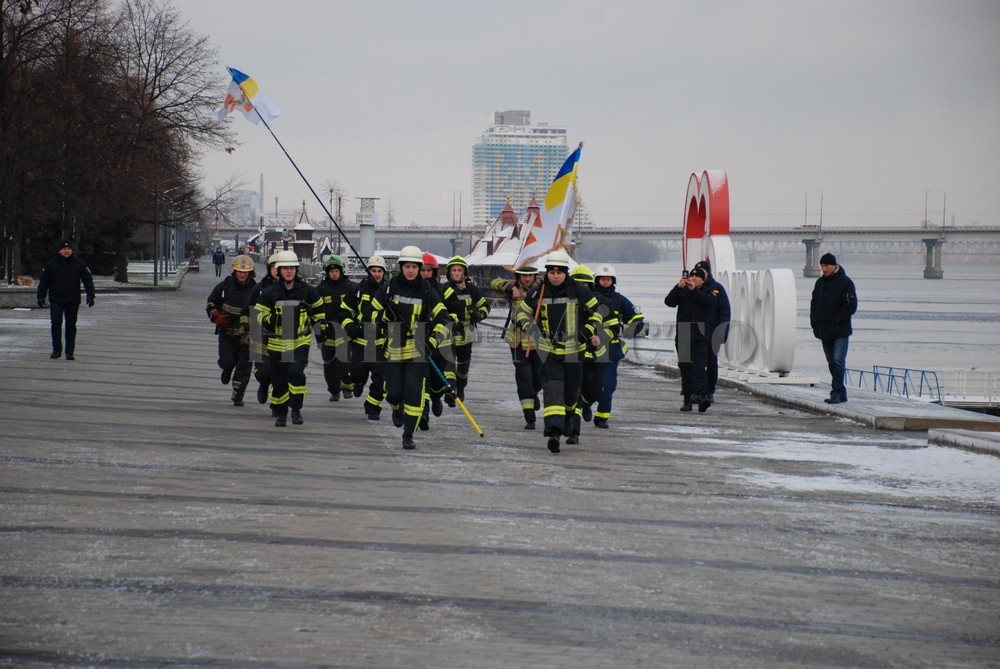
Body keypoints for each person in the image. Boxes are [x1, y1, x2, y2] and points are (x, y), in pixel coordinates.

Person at [516, 249, 604, 453]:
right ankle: (554, 432)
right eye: (552, 271)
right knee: (552, 390)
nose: (555, 275)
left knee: (571, 393)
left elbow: (598, 313)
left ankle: (571, 423)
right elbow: (522, 314)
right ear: (546, 272)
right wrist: (532, 331)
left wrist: (588, 331)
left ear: (566, 272)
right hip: (549, 352)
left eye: (559, 272)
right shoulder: (538, 292)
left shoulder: (579, 290)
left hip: (575, 351)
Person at [374, 246, 452, 450]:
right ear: (401, 267)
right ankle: (396, 407)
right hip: (393, 349)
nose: (410, 270)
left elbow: (445, 321)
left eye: (414, 267)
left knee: (415, 395)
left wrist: (432, 342)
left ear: (419, 268)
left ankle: (408, 434)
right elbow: (370, 314)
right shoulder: (389, 289)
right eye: (407, 266)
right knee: (393, 393)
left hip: (418, 351)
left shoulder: (428, 291)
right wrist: (384, 318)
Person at [254, 251, 325, 426]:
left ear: (296, 270)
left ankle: (296, 409)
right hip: (277, 343)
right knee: (278, 380)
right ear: (278, 271)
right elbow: (258, 315)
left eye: (292, 268)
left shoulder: (307, 291)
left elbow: (319, 311)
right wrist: (273, 320)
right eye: (285, 268)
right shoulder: (270, 293)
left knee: (296, 373)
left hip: (299, 341)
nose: (289, 271)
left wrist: (320, 331)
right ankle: (280, 412)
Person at [488, 263, 543, 429]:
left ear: (534, 276)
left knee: (540, 377)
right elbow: (492, 282)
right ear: (518, 276)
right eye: (523, 276)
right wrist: (510, 288)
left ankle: (533, 394)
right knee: (523, 377)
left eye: (530, 276)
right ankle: (529, 416)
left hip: (539, 342)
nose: (527, 279)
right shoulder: (513, 290)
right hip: (518, 342)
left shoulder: (543, 290)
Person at [591, 263, 645, 428]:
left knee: (608, 385)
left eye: (608, 279)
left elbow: (637, 318)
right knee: (588, 384)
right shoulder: (589, 297)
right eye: (603, 279)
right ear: (597, 280)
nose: (605, 282)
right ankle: (584, 407)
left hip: (611, 351)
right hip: (589, 350)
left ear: (613, 281)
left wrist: (632, 330)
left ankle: (602, 417)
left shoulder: (620, 300)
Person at [341, 255, 388, 420]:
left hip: (380, 343)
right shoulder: (358, 289)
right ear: (368, 272)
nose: (376, 274)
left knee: (380, 379)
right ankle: (358, 383)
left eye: (379, 271)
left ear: (384, 273)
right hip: (360, 342)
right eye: (373, 270)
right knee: (357, 374)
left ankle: (373, 407)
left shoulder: (388, 292)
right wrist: (350, 327)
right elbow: (344, 311)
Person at [206, 255, 257, 406]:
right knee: (227, 361)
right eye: (239, 271)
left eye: (245, 272)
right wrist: (216, 317)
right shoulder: (224, 286)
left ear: (250, 272)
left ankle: (238, 395)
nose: (242, 274)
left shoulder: (256, 289)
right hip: (227, 334)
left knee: (244, 368)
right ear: (234, 271)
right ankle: (226, 369)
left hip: (246, 336)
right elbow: (211, 303)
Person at [664, 265, 716, 413]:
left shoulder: (708, 292)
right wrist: (678, 286)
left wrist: (695, 290)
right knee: (685, 368)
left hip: (700, 335)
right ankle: (687, 399)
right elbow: (669, 302)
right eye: (691, 277)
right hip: (684, 334)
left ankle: (702, 396)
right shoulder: (682, 291)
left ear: (702, 280)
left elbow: (709, 303)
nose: (693, 279)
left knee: (700, 368)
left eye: (697, 277)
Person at [810, 252, 858, 404]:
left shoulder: (846, 283)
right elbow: (814, 304)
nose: (824, 269)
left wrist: (837, 321)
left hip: (840, 330)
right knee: (831, 362)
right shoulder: (820, 283)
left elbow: (851, 306)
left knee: (838, 360)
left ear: (834, 266)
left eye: (827, 266)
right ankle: (841, 392)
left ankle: (836, 392)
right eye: (822, 266)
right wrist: (814, 323)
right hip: (824, 329)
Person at [441, 255, 490, 404]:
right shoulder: (445, 290)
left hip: (466, 337)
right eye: (454, 270)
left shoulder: (473, 290)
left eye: (459, 270)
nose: (456, 273)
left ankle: (460, 388)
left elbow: (485, 306)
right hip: (449, 334)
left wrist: (479, 315)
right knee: (448, 365)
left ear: (464, 273)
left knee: (463, 370)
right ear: (449, 273)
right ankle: (450, 392)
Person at [36, 240, 96, 360]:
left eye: (68, 249)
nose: (66, 251)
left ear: (72, 250)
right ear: (59, 251)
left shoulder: (79, 263)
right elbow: (44, 281)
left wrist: (90, 295)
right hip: (56, 299)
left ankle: (69, 352)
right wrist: (40, 295)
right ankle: (56, 350)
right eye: (64, 249)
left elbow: (87, 280)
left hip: (72, 299)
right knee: (56, 322)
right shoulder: (51, 264)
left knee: (71, 325)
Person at [316, 254, 357, 401]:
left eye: (337, 271)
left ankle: (347, 386)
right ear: (327, 272)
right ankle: (334, 390)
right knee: (329, 366)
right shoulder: (320, 289)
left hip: (344, 329)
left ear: (341, 271)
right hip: (327, 331)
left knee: (344, 361)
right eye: (331, 271)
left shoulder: (351, 287)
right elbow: (314, 311)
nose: (334, 274)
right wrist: (318, 332)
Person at [691, 259, 730, 404]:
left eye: (704, 272)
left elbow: (725, 312)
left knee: (711, 363)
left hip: (713, 333)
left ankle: (710, 390)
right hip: (697, 334)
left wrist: (722, 332)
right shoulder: (693, 289)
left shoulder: (717, 289)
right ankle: (697, 391)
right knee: (696, 363)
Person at [248, 253, 280, 408]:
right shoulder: (260, 288)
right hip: (261, 335)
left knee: (282, 372)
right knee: (263, 370)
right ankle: (264, 384)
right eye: (274, 267)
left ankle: (277, 403)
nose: (277, 270)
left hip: (284, 337)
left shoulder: (295, 288)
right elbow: (249, 309)